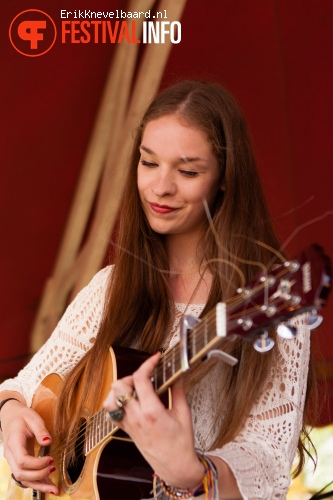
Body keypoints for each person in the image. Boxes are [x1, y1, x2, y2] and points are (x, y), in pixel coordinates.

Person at [0, 80, 314, 499]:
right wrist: (11, 415)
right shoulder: (110, 288)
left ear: (225, 178)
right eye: (149, 163)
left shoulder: (269, 302)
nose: (159, 187)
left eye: (187, 171)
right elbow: (22, 385)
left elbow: (268, 463)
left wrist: (191, 473)